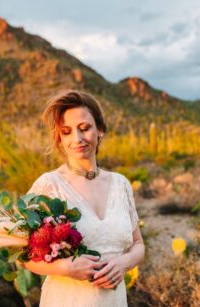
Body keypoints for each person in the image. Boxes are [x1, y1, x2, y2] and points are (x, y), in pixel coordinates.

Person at [21, 90, 145, 307]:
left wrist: (124, 263)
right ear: (60, 138)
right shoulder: (49, 185)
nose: (77, 139)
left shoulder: (121, 184)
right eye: (66, 132)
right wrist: (65, 268)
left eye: (84, 128)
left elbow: (138, 245)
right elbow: (23, 256)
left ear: (100, 130)